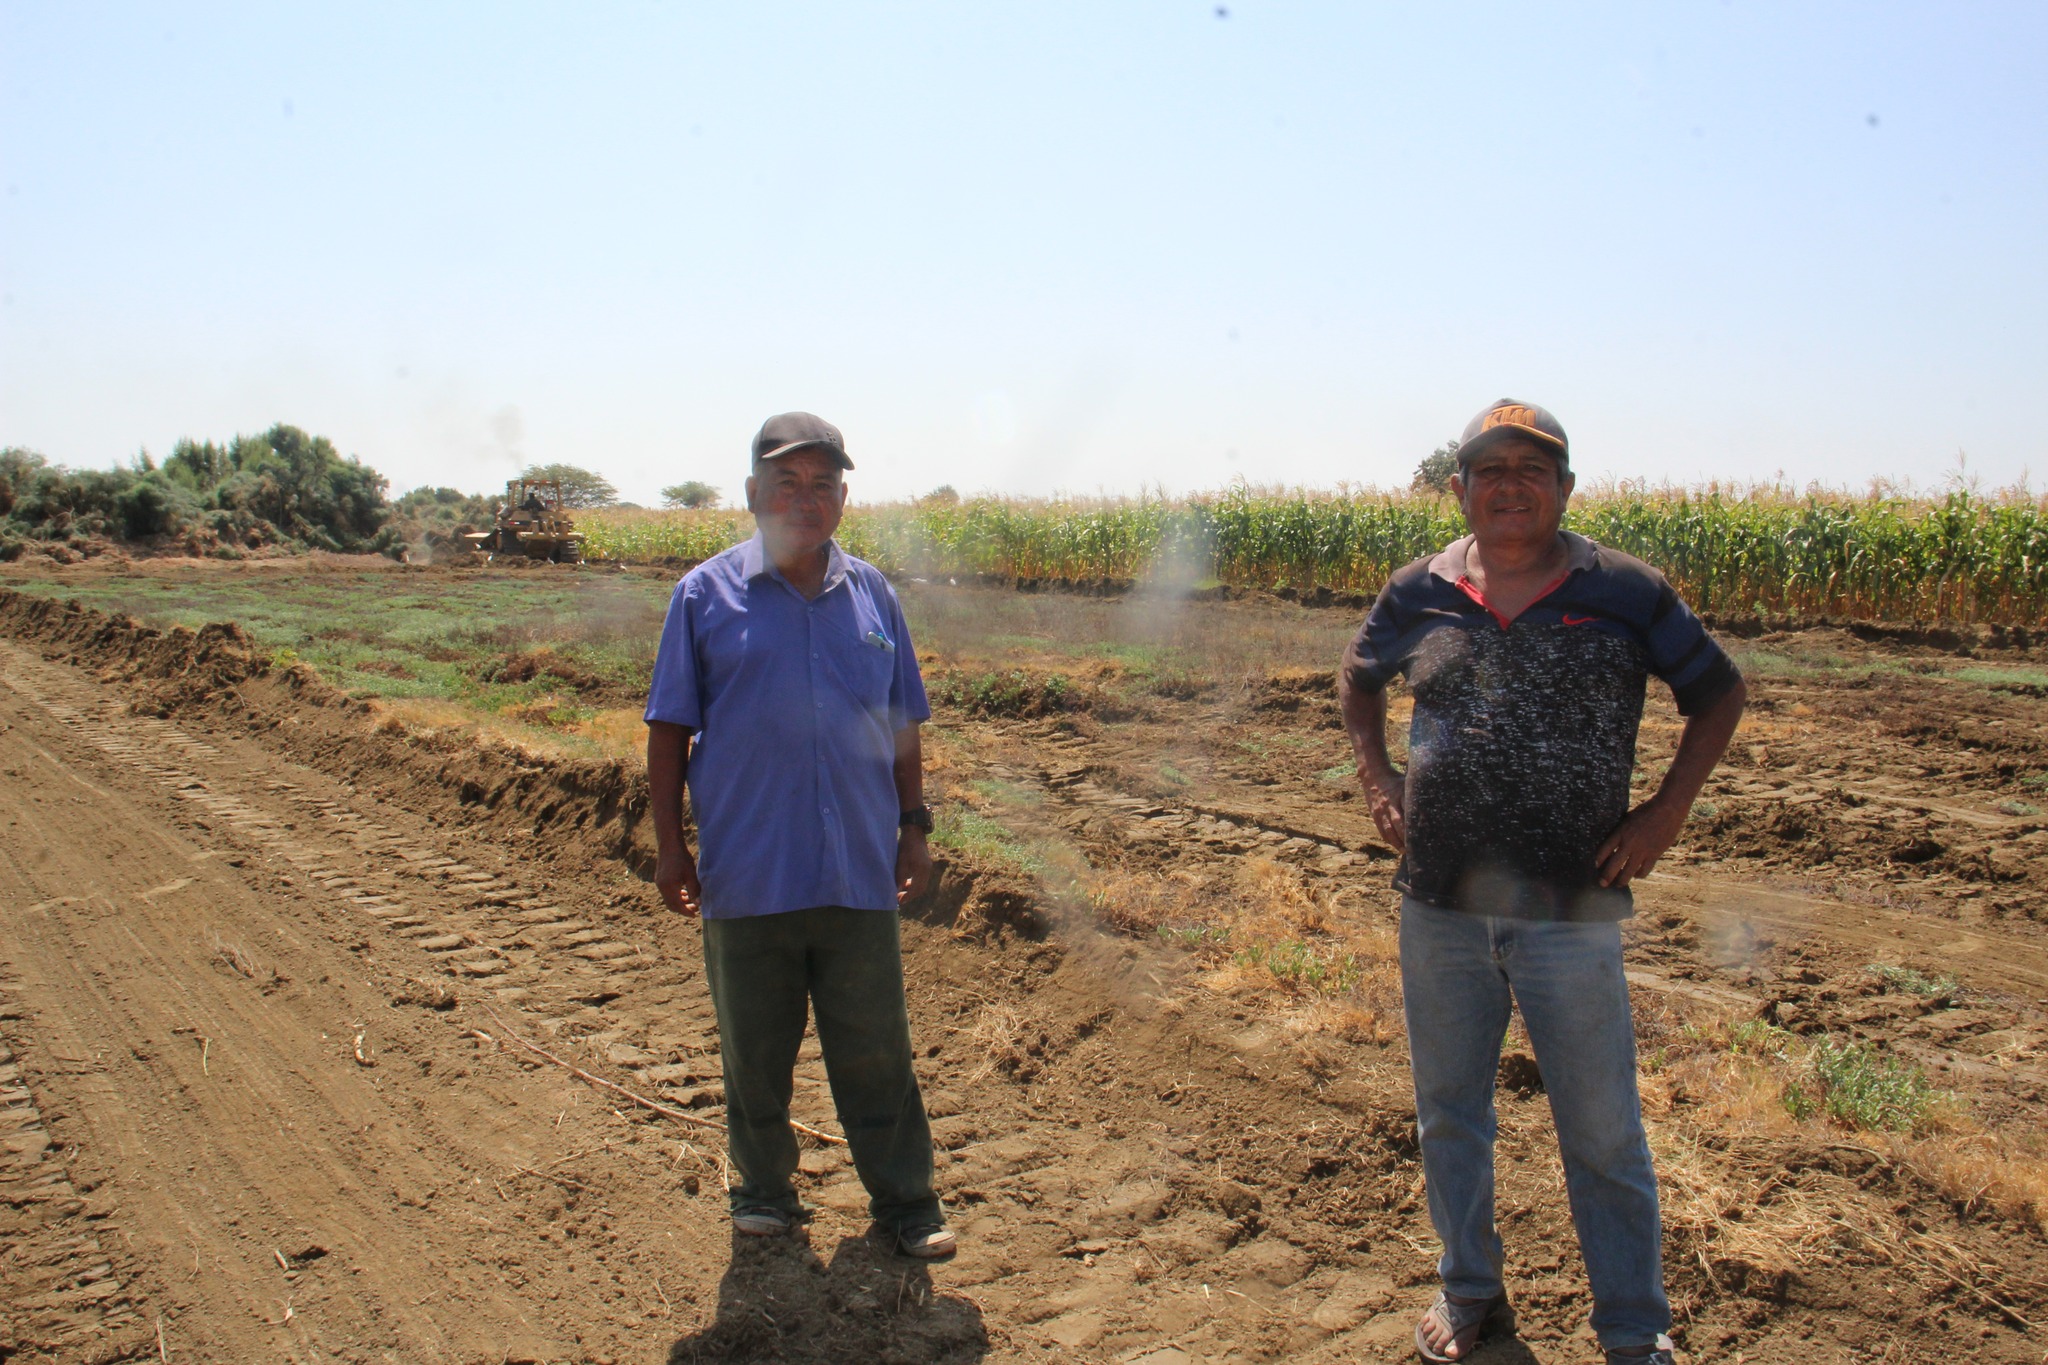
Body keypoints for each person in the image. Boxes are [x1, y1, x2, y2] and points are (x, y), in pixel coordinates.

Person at [1339, 399, 1747, 1364]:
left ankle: (1635, 1334)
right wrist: (1377, 778)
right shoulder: (1420, 588)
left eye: (1533, 469)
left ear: (1564, 489)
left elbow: (1718, 692)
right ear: (1460, 489)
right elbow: (1358, 681)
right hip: (1438, 905)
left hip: (1570, 906)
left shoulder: (1626, 590)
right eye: (1490, 470)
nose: (1510, 485)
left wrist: (1667, 810)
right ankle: (1470, 1292)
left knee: (1603, 1132)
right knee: (1450, 1113)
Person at [644, 411, 954, 1259]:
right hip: (749, 872)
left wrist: (914, 826)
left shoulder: (874, 595)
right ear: (752, 494)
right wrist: (672, 846)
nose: (805, 499)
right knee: (755, 1053)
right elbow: (668, 731)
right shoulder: (705, 596)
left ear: (844, 499)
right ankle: (764, 1194)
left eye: (823, 484)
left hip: (857, 866)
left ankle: (906, 1202)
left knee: (876, 1050)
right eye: (787, 482)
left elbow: (902, 725)